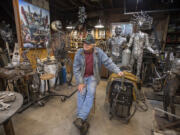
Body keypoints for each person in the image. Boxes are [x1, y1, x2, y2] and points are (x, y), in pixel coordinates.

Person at [73, 34, 124, 135]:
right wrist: (80, 82)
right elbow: (76, 68)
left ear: (93, 45)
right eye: (84, 43)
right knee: (81, 93)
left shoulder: (98, 52)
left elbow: (108, 62)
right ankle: (81, 120)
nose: (85, 45)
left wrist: (117, 71)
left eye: (88, 43)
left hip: (92, 77)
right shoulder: (79, 53)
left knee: (90, 93)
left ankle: (80, 118)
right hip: (82, 77)